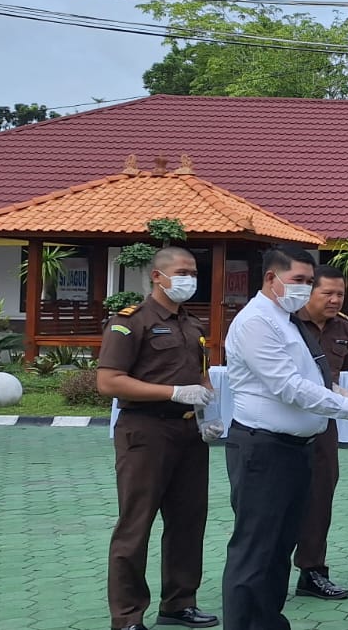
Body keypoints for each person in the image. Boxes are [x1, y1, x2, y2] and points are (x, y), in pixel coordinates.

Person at [222, 247, 348, 630]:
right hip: (263, 448)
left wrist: (333, 390)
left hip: (296, 449)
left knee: (279, 549)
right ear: (270, 278)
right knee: (255, 550)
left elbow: (308, 375)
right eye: (297, 281)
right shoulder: (256, 322)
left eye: (308, 282)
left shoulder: (286, 320)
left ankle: (267, 622)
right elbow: (286, 386)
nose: (305, 289)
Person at [97, 247, 221, 630]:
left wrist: (208, 413)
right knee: (136, 525)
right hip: (145, 430)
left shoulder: (193, 324)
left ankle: (179, 602)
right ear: (157, 276)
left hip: (188, 432)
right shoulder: (130, 322)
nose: (190, 279)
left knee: (188, 521)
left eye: (194, 272)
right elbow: (109, 381)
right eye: (182, 272)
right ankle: (128, 616)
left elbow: (201, 377)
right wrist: (172, 393)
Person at [289, 265, 348, 601]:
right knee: (277, 500)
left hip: (323, 425)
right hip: (282, 426)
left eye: (339, 294)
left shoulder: (343, 327)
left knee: (319, 498)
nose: (334, 299)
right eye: (326, 293)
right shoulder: (285, 323)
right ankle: (266, 571)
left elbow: (338, 374)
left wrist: (336, 392)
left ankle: (312, 571)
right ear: (308, 292)